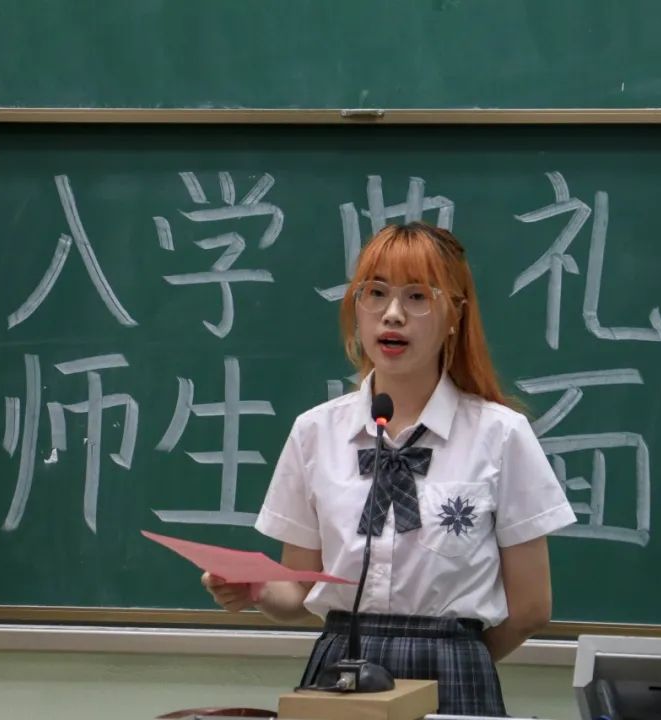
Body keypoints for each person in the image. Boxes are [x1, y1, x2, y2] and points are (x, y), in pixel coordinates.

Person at [202, 221, 576, 717]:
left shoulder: (500, 435)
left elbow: (531, 608)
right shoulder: (316, 432)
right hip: (342, 668)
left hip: (455, 671)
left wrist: (460, 659)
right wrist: (256, 589)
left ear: (454, 316)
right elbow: (299, 590)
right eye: (375, 293)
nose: (392, 314)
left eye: (417, 296)